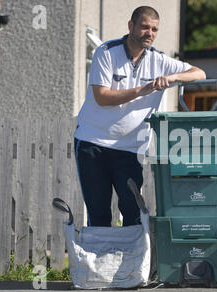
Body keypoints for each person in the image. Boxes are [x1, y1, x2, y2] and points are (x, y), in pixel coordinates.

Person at [74, 6, 206, 227]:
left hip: (130, 149)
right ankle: (100, 262)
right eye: (145, 27)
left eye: (154, 29)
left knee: (133, 213)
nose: (150, 33)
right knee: (99, 216)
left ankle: (131, 262)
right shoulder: (106, 52)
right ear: (131, 26)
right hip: (93, 142)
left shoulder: (159, 60)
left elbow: (199, 73)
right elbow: (102, 97)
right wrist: (141, 90)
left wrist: (172, 77)